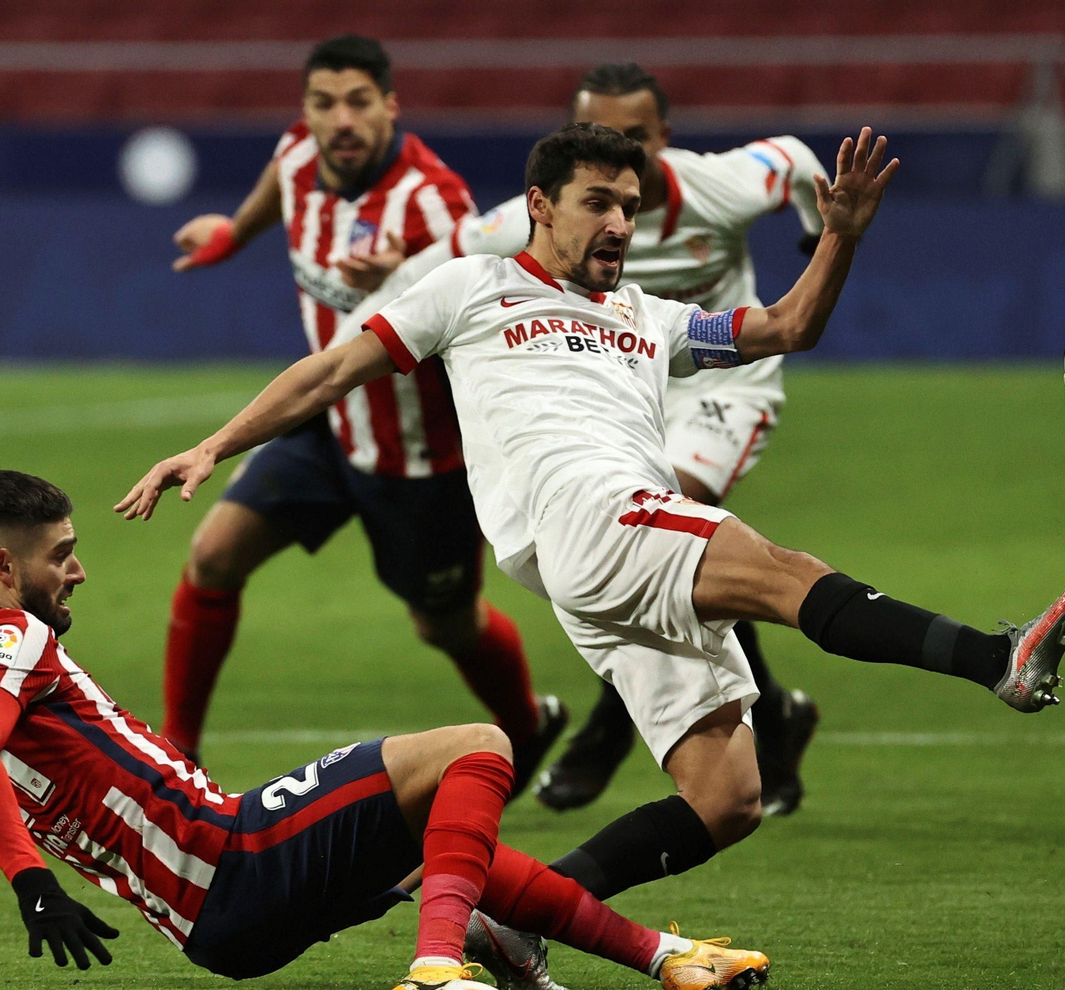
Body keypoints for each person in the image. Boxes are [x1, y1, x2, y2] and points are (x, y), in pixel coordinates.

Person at [117, 123, 1065, 922]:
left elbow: (787, 327)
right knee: (776, 568)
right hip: (584, 517)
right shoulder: (475, 287)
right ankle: (995, 659)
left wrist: (839, 232)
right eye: (599, 202)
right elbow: (333, 370)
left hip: (609, 552)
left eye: (629, 205)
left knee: (727, 799)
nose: (620, 222)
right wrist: (215, 445)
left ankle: (517, 914)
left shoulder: (647, 315)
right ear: (539, 206)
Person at [0, 470, 770, 990]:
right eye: (62, 553)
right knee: (475, 748)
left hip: (215, 925)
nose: (79, 569)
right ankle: (436, 967)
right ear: (4, 571)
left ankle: (664, 958)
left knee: (434, 827)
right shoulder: (9, 639)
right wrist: (30, 880)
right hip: (233, 857)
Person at [337, 62, 829, 816]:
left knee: (662, 524)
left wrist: (816, 229)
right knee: (654, 545)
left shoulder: (722, 186)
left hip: (726, 386)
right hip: (628, 385)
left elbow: (796, 160)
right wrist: (384, 278)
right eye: (604, 136)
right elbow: (451, 254)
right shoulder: (532, 220)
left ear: (663, 137)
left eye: (636, 137)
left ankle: (609, 729)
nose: (619, 155)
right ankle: (773, 717)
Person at [159, 34, 564, 785]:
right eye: (322, 103)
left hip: (420, 453)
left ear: (390, 106)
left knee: (444, 623)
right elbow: (273, 193)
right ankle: (178, 754)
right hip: (329, 421)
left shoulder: (433, 201)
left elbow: (483, 314)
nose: (339, 120)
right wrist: (229, 235)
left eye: (357, 102)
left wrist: (411, 273)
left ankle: (532, 724)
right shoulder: (296, 158)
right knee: (213, 556)